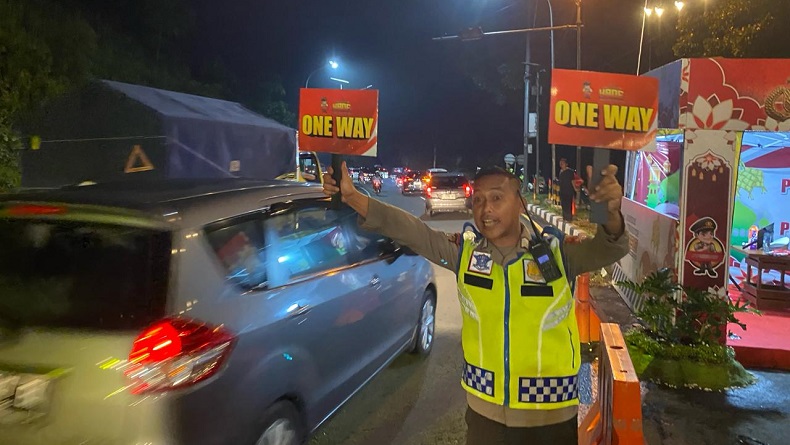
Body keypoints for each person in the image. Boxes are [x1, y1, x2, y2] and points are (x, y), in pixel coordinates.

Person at [322, 163, 629, 445]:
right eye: (479, 200)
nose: (486, 209)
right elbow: (410, 230)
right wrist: (352, 197)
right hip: (485, 421)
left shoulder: (559, 253)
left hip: (551, 420)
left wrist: (611, 215)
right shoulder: (464, 255)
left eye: (497, 198)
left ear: (519, 202)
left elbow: (609, 248)